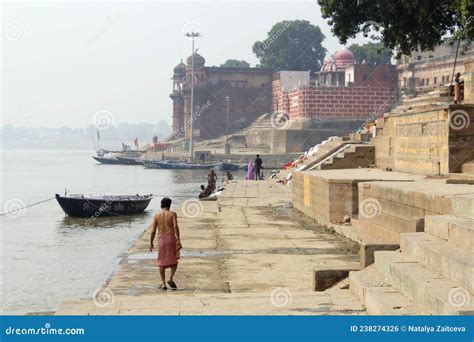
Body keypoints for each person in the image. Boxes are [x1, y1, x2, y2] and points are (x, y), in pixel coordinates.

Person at [149, 197, 182, 290]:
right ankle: (171, 278)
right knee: (174, 260)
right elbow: (175, 227)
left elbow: (153, 231)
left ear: (161, 205)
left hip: (161, 240)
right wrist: (178, 239)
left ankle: (163, 283)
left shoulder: (156, 216)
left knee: (161, 262)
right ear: (170, 205)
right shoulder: (172, 214)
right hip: (171, 238)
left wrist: (151, 242)